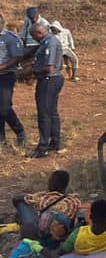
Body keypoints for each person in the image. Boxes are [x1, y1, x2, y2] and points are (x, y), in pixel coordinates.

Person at [12, 169, 80, 246]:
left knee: (21, 203)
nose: (49, 182)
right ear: (66, 185)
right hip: (60, 234)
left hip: (41, 232)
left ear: (52, 183)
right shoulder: (73, 201)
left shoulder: (45, 197)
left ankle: (26, 233)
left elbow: (16, 199)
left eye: (51, 180)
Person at [29, 21, 64, 157]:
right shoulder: (46, 42)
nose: (34, 39)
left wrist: (32, 71)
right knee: (52, 112)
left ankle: (43, 148)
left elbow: (49, 68)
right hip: (52, 80)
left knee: (44, 114)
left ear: (39, 33)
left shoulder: (50, 43)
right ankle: (55, 143)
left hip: (49, 80)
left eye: (34, 36)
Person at [0, 18, 26, 149]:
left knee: (4, 108)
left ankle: (19, 131)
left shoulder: (9, 38)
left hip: (5, 76)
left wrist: (2, 67)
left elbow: (17, 57)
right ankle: (1, 139)